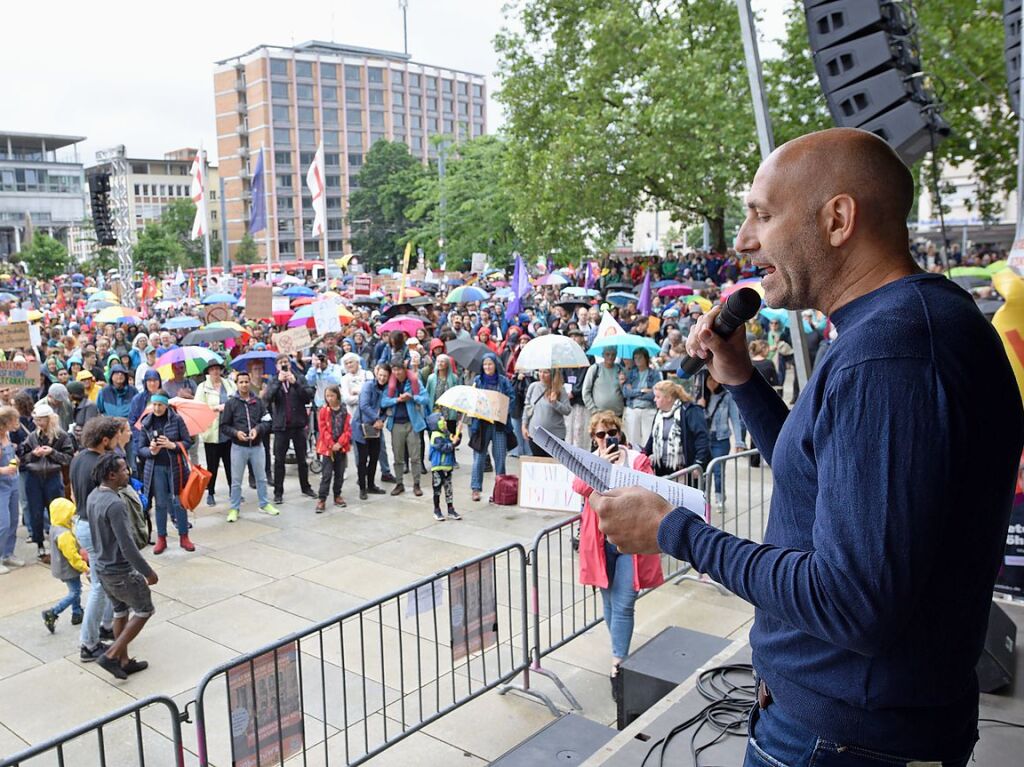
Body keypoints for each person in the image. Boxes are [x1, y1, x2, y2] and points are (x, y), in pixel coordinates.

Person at [587, 128, 1024, 767]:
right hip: (853, 728)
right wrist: (741, 378)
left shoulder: (890, 355)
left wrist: (675, 531)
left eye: (763, 214)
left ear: (838, 219)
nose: (742, 239)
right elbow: (815, 469)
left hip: (842, 743)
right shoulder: (907, 325)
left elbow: (853, 603)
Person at [572, 410, 663, 703]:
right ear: (593, 437)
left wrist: (622, 471)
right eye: (600, 434)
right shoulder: (590, 459)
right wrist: (600, 467)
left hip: (631, 538)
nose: (606, 438)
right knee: (609, 601)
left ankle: (618, 664)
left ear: (619, 433)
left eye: (610, 432)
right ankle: (618, 650)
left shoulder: (636, 459)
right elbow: (578, 488)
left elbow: (650, 487)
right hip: (600, 541)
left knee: (624, 602)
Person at [87, 452, 157, 681]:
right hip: (121, 571)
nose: (128, 472)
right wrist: (148, 572)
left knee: (120, 611)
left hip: (103, 568)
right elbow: (127, 546)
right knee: (145, 610)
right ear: (112, 475)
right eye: (124, 470)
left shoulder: (93, 496)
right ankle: (112, 654)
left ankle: (123, 662)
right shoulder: (115, 504)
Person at [71, 416, 124, 663]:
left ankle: (105, 626)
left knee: (101, 582)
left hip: (81, 522)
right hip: (93, 526)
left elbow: (73, 493)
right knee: (100, 586)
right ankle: (89, 644)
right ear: (105, 440)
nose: (117, 441)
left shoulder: (79, 458)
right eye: (114, 437)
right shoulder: (102, 464)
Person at [136, 391, 194, 554]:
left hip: (175, 466)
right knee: (160, 503)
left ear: (166, 405)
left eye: (160, 405)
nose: (157, 408)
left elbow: (188, 441)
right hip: (156, 468)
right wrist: (151, 451)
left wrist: (172, 445)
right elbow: (140, 449)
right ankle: (161, 537)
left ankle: (184, 535)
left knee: (179, 501)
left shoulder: (176, 419)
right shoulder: (146, 423)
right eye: (154, 404)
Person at [18, 401, 74, 562]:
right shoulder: (31, 437)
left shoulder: (62, 436)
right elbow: (23, 458)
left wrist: (52, 452)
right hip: (34, 478)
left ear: (50, 419)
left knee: (57, 513)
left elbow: (68, 458)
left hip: (53, 476)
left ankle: (60, 543)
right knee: (35, 512)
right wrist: (34, 455)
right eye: (37, 420)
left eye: (41, 419)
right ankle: (40, 544)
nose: (38, 423)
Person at [221, 371, 277, 522]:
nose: (244, 385)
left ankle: (264, 503)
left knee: (261, 477)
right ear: (237, 384)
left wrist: (257, 429)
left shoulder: (258, 402)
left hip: (257, 446)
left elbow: (267, 421)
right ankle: (234, 508)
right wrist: (236, 433)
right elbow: (224, 426)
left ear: (250, 382)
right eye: (241, 382)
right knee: (236, 480)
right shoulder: (231, 403)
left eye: (246, 382)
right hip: (238, 447)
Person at [264, 354, 316, 504]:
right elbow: (267, 399)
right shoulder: (273, 380)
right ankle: (278, 492)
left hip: (298, 424)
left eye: (286, 362)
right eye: (281, 363)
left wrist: (295, 384)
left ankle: (305, 487)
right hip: (281, 427)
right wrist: (278, 383)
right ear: (277, 366)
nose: (284, 365)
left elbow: (308, 397)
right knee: (279, 461)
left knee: (302, 459)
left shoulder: (299, 378)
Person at [467, 353, 515, 502]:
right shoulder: (477, 381)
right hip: (481, 424)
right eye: (485, 365)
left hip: (499, 424)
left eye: (490, 364)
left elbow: (511, 398)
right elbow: (472, 399)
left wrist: (502, 409)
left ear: (495, 365)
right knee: (479, 458)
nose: (488, 367)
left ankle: (499, 489)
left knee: (500, 457)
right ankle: (476, 488)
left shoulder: (503, 381)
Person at [696, 372, 744, 510]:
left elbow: (735, 419)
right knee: (703, 471)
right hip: (704, 439)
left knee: (718, 471)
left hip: (721, 439)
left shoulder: (727, 396)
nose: (712, 382)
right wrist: (700, 407)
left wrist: (739, 441)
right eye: (709, 379)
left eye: (715, 379)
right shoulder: (699, 397)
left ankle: (719, 498)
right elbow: (696, 422)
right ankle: (703, 499)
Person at [380, 364, 429, 497]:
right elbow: (383, 402)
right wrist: (397, 400)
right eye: (394, 370)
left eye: (399, 369)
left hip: (412, 423)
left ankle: (416, 484)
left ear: (404, 369)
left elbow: (426, 399)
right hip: (396, 424)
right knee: (398, 457)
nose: (397, 372)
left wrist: (412, 397)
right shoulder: (391, 384)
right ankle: (399, 483)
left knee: (415, 457)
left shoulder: (414, 382)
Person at [41, 498, 88, 633]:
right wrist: (84, 567)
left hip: (60, 566)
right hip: (68, 568)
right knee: (75, 592)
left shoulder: (55, 527)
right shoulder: (64, 535)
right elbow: (72, 556)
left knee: (75, 588)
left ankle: (77, 612)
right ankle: (53, 612)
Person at [644, 380, 710, 477]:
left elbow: (702, 438)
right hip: (662, 468)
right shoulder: (659, 414)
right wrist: (643, 455)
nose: (654, 400)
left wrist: (698, 463)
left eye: (658, 397)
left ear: (669, 398)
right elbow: (652, 437)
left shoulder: (690, 411)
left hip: (685, 469)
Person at [194, 361, 236, 507]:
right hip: (212, 431)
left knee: (231, 464)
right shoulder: (202, 387)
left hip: (229, 430)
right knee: (212, 465)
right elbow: (199, 407)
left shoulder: (229, 384)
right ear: (208, 372)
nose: (215, 372)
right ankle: (210, 492)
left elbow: (236, 400)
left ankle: (234, 491)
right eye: (212, 370)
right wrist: (216, 408)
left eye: (217, 369)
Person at [352, 364, 389, 501]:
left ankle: (371, 484)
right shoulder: (368, 386)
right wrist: (377, 419)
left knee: (374, 457)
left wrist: (382, 420)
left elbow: (387, 408)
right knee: (362, 460)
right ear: (376, 374)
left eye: (385, 376)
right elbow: (364, 405)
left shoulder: (387, 389)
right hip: (362, 427)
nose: (382, 378)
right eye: (380, 375)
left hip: (376, 428)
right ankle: (362, 488)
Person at [315, 384, 351, 511]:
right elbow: (323, 429)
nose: (329, 398)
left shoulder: (344, 410)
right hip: (327, 448)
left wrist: (340, 443)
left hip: (341, 447)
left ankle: (337, 495)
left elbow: (347, 429)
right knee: (326, 474)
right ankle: (322, 498)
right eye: (327, 396)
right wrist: (331, 444)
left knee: (340, 473)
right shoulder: (324, 411)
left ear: (337, 395)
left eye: (332, 395)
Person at [522, 369, 571, 457]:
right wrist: (524, 425)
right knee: (538, 463)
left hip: (555, 435)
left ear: (552, 374)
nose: (542, 375)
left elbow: (567, 410)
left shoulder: (560, 389)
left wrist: (555, 403)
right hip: (535, 434)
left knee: (553, 465)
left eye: (545, 372)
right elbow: (527, 407)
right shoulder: (533, 386)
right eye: (540, 372)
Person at [0, 407, 23, 574]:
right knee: (3, 523)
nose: (17, 423)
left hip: (13, 482)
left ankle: (8, 553)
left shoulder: (7, 436)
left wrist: (15, 459)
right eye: (14, 420)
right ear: (5, 423)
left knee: (14, 520)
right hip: (2, 486)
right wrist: (3, 470)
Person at [426, 412, 461, 521]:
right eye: (442, 420)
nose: (445, 422)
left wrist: (459, 433)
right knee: (437, 489)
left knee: (448, 489)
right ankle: (437, 510)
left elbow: (453, 440)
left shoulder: (446, 433)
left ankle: (450, 509)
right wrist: (453, 444)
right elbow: (444, 448)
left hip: (447, 466)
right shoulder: (436, 436)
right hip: (438, 467)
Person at [621, 349, 657, 449]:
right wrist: (642, 391)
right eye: (635, 358)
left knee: (647, 439)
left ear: (646, 358)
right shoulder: (630, 374)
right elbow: (626, 393)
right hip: (633, 409)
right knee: (632, 440)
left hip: (648, 409)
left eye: (640, 357)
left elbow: (655, 394)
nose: (637, 360)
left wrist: (634, 392)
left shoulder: (654, 374)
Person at [582, 347, 624, 418]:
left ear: (616, 355)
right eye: (607, 354)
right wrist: (594, 410)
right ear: (602, 355)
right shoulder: (595, 369)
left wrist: (622, 383)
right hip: (599, 414)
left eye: (613, 354)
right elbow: (585, 391)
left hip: (617, 414)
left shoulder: (621, 370)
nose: (610, 357)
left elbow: (626, 392)